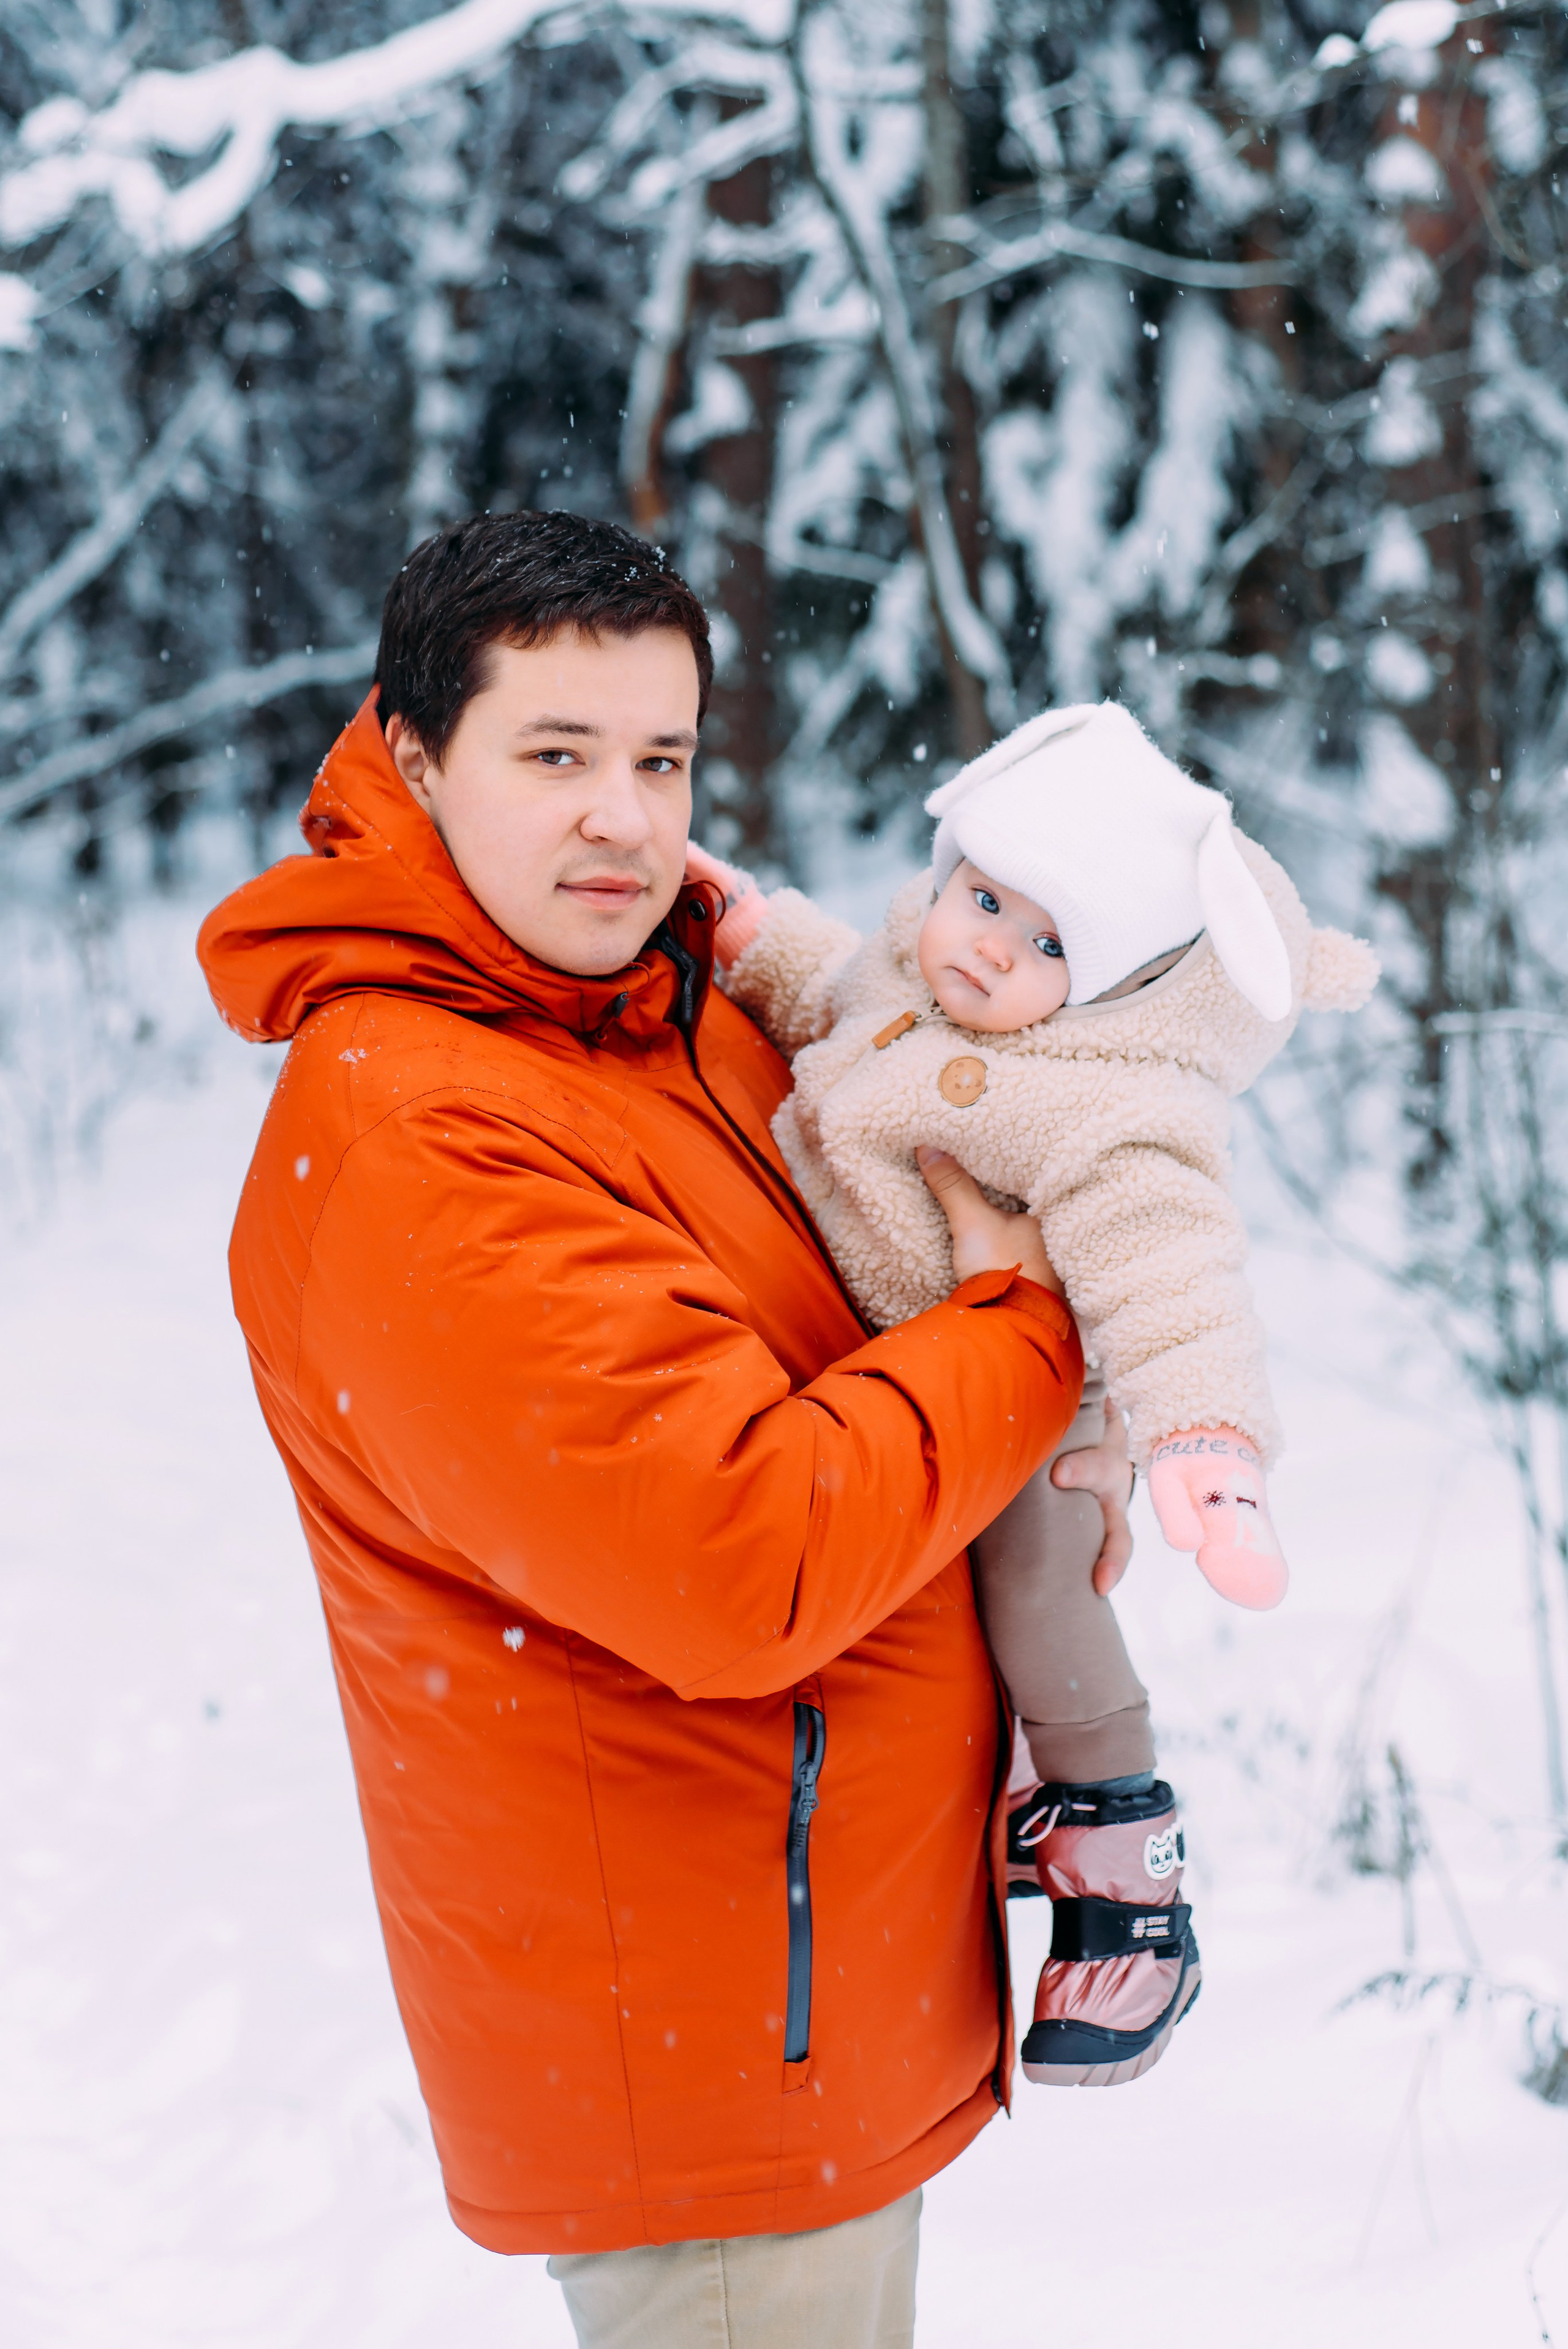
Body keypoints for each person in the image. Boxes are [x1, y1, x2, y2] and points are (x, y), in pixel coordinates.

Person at [196, 510, 1136, 2348]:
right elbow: (748, 1556)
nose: (626, 818)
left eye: (661, 758)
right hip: (709, 2060)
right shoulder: (428, 1131)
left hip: (799, 1987)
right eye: (555, 756)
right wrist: (1022, 1325)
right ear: (410, 757)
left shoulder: (647, 1013)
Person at [685, 700, 1378, 2088]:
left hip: (1032, 1423)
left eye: (1052, 941)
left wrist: (1199, 1441)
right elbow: (830, 987)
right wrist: (750, 933)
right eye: (984, 895)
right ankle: (998, 1791)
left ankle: (1124, 1872)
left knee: (1037, 1594)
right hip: (903, 1382)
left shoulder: (1100, 1105)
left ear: (1118, 986)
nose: (991, 944)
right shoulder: (910, 981)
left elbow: (1166, 1262)